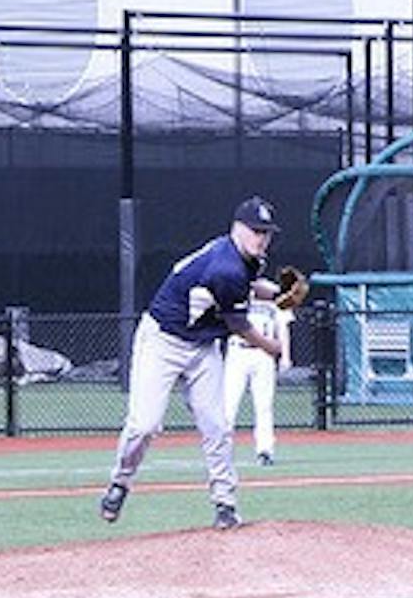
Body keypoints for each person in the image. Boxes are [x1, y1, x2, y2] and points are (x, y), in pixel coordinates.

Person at [99, 196, 288, 531]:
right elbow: (240, 325)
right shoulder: (225, 266)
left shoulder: (245, 259)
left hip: (202, 348)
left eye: (267, 232)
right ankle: (120, 482)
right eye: (257, 231)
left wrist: (279, 293)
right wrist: (273, 347)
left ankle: (225, 504)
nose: (263, 239)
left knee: (217, 425)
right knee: (144, 424)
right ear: (237, 229)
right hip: (163, 341)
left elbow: (249, 285)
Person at [223, 293, 292, 466]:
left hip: (263, 354)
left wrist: (285, 356)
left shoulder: (273, 296)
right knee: (228, 404)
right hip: (237, 351)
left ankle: (265, 451)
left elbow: (282, 328)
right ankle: (222, 450)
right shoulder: (236, 291)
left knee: (264, 405)